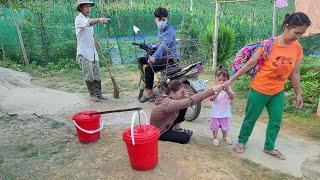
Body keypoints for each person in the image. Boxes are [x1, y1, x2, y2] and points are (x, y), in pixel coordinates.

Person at [225, 12, 311, 160]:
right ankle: (242, 141)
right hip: (259, 89)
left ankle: (269, 147)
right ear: (287, 27)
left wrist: (298, 93)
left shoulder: (297, 48)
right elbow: (250, 63)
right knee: (250, 119)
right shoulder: (269, 45)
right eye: (296, 33)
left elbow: (295, 72)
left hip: (277, 91)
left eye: (301, 34)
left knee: (276, 121)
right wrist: (230, 80)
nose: (298, 37)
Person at [150, 80, 225, 144]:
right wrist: (213, 90)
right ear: (172, 93)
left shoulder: (168, 98)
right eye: (181, 92)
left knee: (184, 105)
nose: (183, 94)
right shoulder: (168, 104)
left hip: (166, 125)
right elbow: (190, 101)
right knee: (185, 138)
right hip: (160, 132)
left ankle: (177, 128)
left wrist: (185, 96)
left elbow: (187, 102)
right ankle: (175, 131)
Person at [139, 7, 177, 103]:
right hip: (163, 56)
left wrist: (154, 57)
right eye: (159, 19)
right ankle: (149, 81)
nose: (161, 21)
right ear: (155, 19)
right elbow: (159, 43)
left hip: (169, 59)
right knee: (141, 60)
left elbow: (163, 47)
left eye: (163, 19)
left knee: (148, 68)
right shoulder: (161, 29)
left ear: (166, 19)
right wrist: (150, 46)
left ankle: (149, 92)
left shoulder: (169, 31)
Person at [75, 0, 110, 102]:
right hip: (84, 53)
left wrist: (95, 41)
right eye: (86, 7)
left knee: (97, 74)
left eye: (89, 7)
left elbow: (91, 33)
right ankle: (92, 94)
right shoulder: (79, 19)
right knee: (89, 75)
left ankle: (99, 93)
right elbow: (88, 23)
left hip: (93, 52)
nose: (88, 9)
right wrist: (99, 19)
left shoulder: (88, 19)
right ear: (81, 8)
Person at [209, 67, 234, 147]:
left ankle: (224, 137)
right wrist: (217, 92)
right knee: (215, 126)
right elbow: (211, 99)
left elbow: (232, 97)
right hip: (215, 113)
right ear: (215, 80)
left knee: (225, 127)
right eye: (219, 80)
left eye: (224, 80)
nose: (222, 82)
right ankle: (215, 138)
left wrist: (227, 91)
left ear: (228, 80)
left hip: (225, 113)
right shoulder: (214, 89)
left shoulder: (229, 89)